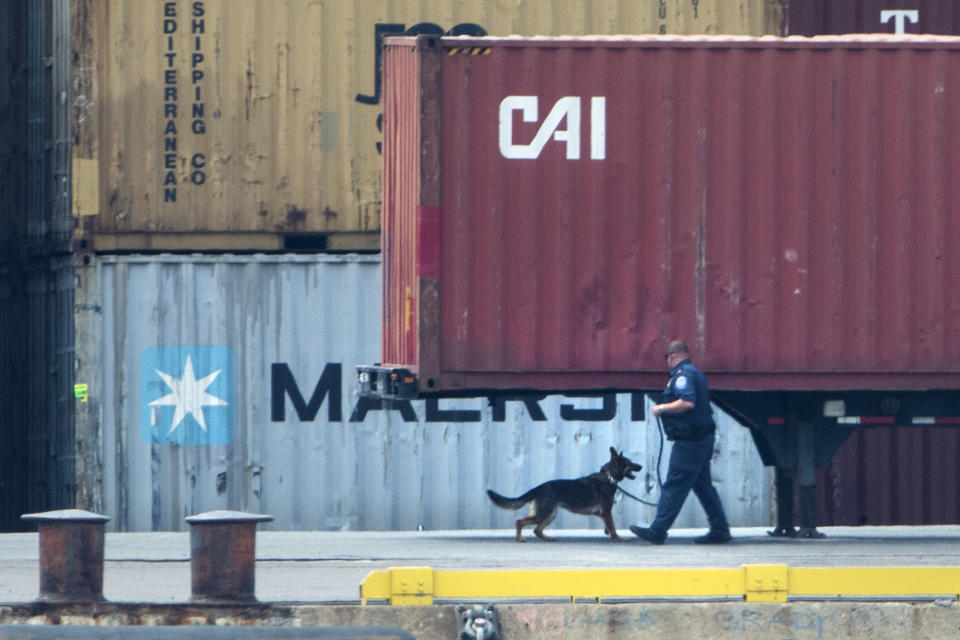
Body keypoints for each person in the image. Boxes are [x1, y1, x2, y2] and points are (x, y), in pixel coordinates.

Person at [630, 340, 732, 545]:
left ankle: (658, 530)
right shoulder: (694, 373)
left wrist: (662, 408)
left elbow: (687, 402)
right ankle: (720, 529)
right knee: (702, 485)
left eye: (666, 358)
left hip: (691, 441)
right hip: (701, 439)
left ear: (672, 356)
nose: (666, 362)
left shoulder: (682, 375)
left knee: (675, 483)